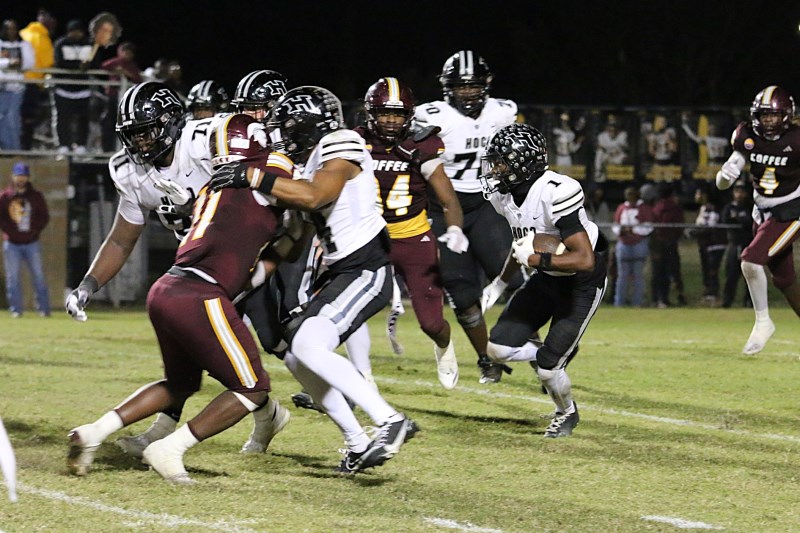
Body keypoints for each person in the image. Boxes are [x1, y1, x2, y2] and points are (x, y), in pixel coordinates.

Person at [64, 82, 290, 458]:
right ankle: (252, 419)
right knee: (203, 360)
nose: (140, 143)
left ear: (170, 122)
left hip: (245, 255)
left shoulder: (207, 139)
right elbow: (120, 239)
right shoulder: (130, 171)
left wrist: (202, 202)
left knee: (280, 346)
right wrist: (89, 284)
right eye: (132, 135)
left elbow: (260, 175)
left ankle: (340, 417)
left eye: (146, 132)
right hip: (199, 267)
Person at [209, 86, 415, 473]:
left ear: (307, 124)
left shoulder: (341, 142)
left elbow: (315, 197)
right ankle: (357, 442)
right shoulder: (310, 167)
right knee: (297, 353)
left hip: (367, 267)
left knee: (307, 342)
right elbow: (296, 237)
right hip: (342, 271)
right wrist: (251, 279)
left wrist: (252, 176)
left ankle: (389, 420)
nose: (282, 137)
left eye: (287, 128)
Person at [479, 123, 607, 437]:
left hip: (581, 281)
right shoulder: (505, 197)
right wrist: (499, 283)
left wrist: (536, 260)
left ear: (522, 164)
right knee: (496, 349)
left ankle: (566, 412)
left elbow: (584, 258)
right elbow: (522, 243)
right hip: (547, 276)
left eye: (501, 163)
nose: (494, 169)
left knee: (549, 369)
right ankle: (555, 351)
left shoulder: (555, 191)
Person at [415, 50, 517, 384]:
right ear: (448, 87)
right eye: (461, 86)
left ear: (486, 84)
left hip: (487, 204)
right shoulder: (430, 116)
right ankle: (487, 358)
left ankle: (532, 350)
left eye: (473, 85)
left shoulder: (503, 112)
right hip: (443, 207)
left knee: (514, 280)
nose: (468, 92)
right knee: (461, 291)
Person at [357, 77, 466, 389]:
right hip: (368, 238)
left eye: (398, 114)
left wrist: (455, 228)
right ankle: (360, 376)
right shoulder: (355, 141)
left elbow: (448, 198)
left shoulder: (421, 144)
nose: (391, 121)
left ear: (409, 115)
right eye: (385, 113)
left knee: (432, 323)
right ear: (371, 113)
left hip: (413, 237)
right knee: (350, 312)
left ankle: (444, 346)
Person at [716, 85, 800, 354]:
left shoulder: (797, 139)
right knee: (784, 279)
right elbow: (725, 178)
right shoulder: (747, 136)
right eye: (764, 115)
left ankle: (763, 323)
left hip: (791, 211)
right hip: (761, 211)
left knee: (751, 261)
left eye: (773, 115)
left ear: (786, 115)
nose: (769, 121)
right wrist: (724, 176)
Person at [0, 162, 50, 317]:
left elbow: (44, 217)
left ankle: (44, 309)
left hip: (32, 242)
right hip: (11, 243)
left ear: (28, 178)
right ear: (13, 177)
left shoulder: (36, 196)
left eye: (23, 176)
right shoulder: (5, 196)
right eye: (18, 176)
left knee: (38, 276)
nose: (21, 179)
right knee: (13, 278)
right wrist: (10, 231)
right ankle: (16, 310)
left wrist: (34, 231)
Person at [52, 20, 93, 154]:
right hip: (64, 89)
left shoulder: (89, 44)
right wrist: (78, 66)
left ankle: (81, 145)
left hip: (83, 89)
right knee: (63, 119)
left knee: (83, 119)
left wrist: (87, 66)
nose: (76, 34)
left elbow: (95, 63)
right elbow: (59, 63)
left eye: (78, 31)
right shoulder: (61, 43)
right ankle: (64, 145)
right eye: (73, 31)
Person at [19, 9, 56, 150]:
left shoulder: (23, 33)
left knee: (13, 115)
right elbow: (48, 63)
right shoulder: (42, 38)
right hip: (32, 82)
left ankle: (12, 146)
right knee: (28, 117)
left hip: (15, 82)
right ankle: (25, 148)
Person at [612, 186, 653, 307]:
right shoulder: (621, 208)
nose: (629, 196)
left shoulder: (644, 209)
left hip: (638, 245)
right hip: (623, 245)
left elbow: (648, 227)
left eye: (631, 194)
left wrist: (633, 230)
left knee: (638, 276)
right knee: (622, 276)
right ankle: (619, 302)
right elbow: (615, 224)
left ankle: (637, 302)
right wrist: (621, 230)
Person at [100, 41, 141, 152]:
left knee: (124, 125)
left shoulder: (132, 66)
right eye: (125, 52)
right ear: (120, 52)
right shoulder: (115, 62)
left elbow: (138, 80)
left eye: (129, 53)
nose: (127, 55)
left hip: (126, 100)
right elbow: (102, 67)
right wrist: (114, 71)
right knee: (109, 123)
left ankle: (122, 150)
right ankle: (107, 150)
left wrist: (127, 74)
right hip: (112, 97)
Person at [650, 182, 686, 308]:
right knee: (671, 271)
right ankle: (669, 298)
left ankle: (656, 298)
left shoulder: (656, 208)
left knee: (657, 272)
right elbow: (679, 226)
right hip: (670, 243)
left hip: (657, 243)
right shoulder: (675, 208)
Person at [0, 20, 35, 150]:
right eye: (8, 29)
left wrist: (18, 63)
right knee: (1, 117)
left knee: (12, 117)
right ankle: (4, 147)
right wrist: (9, 63)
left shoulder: (24, 45)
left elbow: (29, 62)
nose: (11, 32)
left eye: (13, 29)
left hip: (16, 87)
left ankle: (13, 148)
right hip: (1, 85)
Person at [720, 182, 753, 308]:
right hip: (734, 244)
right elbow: (725, 220)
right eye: (737, 191)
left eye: (742, 192)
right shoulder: (729, 207)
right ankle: (727, 300)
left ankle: (749, 301)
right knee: (731, 274)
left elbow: (749, 222)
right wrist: (738, 220)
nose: (739, 194)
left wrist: (737, 218)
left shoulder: (750, 207)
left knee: (749, 274)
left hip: (747, 245)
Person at [692, 184, 726, 305]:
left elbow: (710, 226)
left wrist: (695, 232)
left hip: (714, 244)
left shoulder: (711, 209)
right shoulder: (702, 208)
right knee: (706, 269)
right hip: (704, 244)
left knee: (712, 270)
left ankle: (714, 294)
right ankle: (708, 293)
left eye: (698, 193)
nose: (696, 196)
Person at [594, 115, 629, 182]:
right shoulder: (602, 136)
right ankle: (599, 173)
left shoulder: (623, 135)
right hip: (607, 155)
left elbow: (625, 148)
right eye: (610, 128)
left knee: (623, 158)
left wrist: (617, 151)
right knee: (599, 153)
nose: (612, 130)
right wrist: (608, 154)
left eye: (614, 127)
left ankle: (620, 177)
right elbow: (599, 147)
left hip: (618, 156)